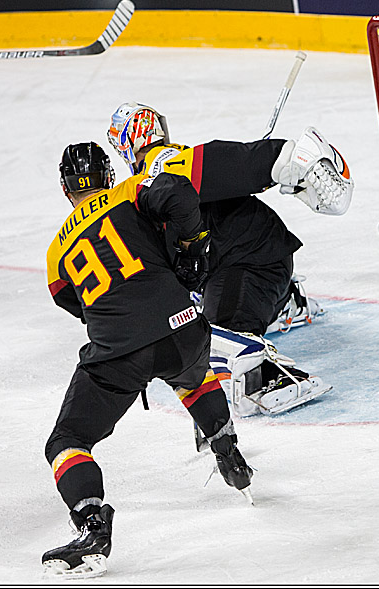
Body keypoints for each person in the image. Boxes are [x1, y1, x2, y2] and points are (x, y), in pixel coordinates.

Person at [43, 142, 253, 578]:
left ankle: (92, 525)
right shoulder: (129, 190)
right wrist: (193, 247)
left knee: (68, 440)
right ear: (108, 175)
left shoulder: (55, 253)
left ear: (65, 189)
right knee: (192, 374)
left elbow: (72, 302)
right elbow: (178, 191)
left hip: (120, 349)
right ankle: (227, 449)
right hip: (184, 329)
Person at [106, 103, 353, 419]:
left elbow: (234, 162)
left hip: (253, 263)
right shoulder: (153, 176)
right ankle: (281, 302)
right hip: (253, 259)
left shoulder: (166, 165)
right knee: (188, 305)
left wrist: (286, 159)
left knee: (206, 341)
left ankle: (270, 375)